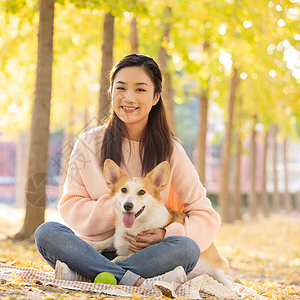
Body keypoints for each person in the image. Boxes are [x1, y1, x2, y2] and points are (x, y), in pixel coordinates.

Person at [35, 54, 221, 288]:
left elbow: (204, 214)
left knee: (186, 248)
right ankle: (126, 278)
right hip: (94, 252)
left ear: (155, 97)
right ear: (111, 91)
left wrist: (167, 234)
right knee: (47, 232)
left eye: (140, 90)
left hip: (149, 257)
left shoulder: (171, 150)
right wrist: (117, 206)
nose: (129, 98)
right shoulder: (89, 143)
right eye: (121, 88)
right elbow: (71, 204)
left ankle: (92, 277)